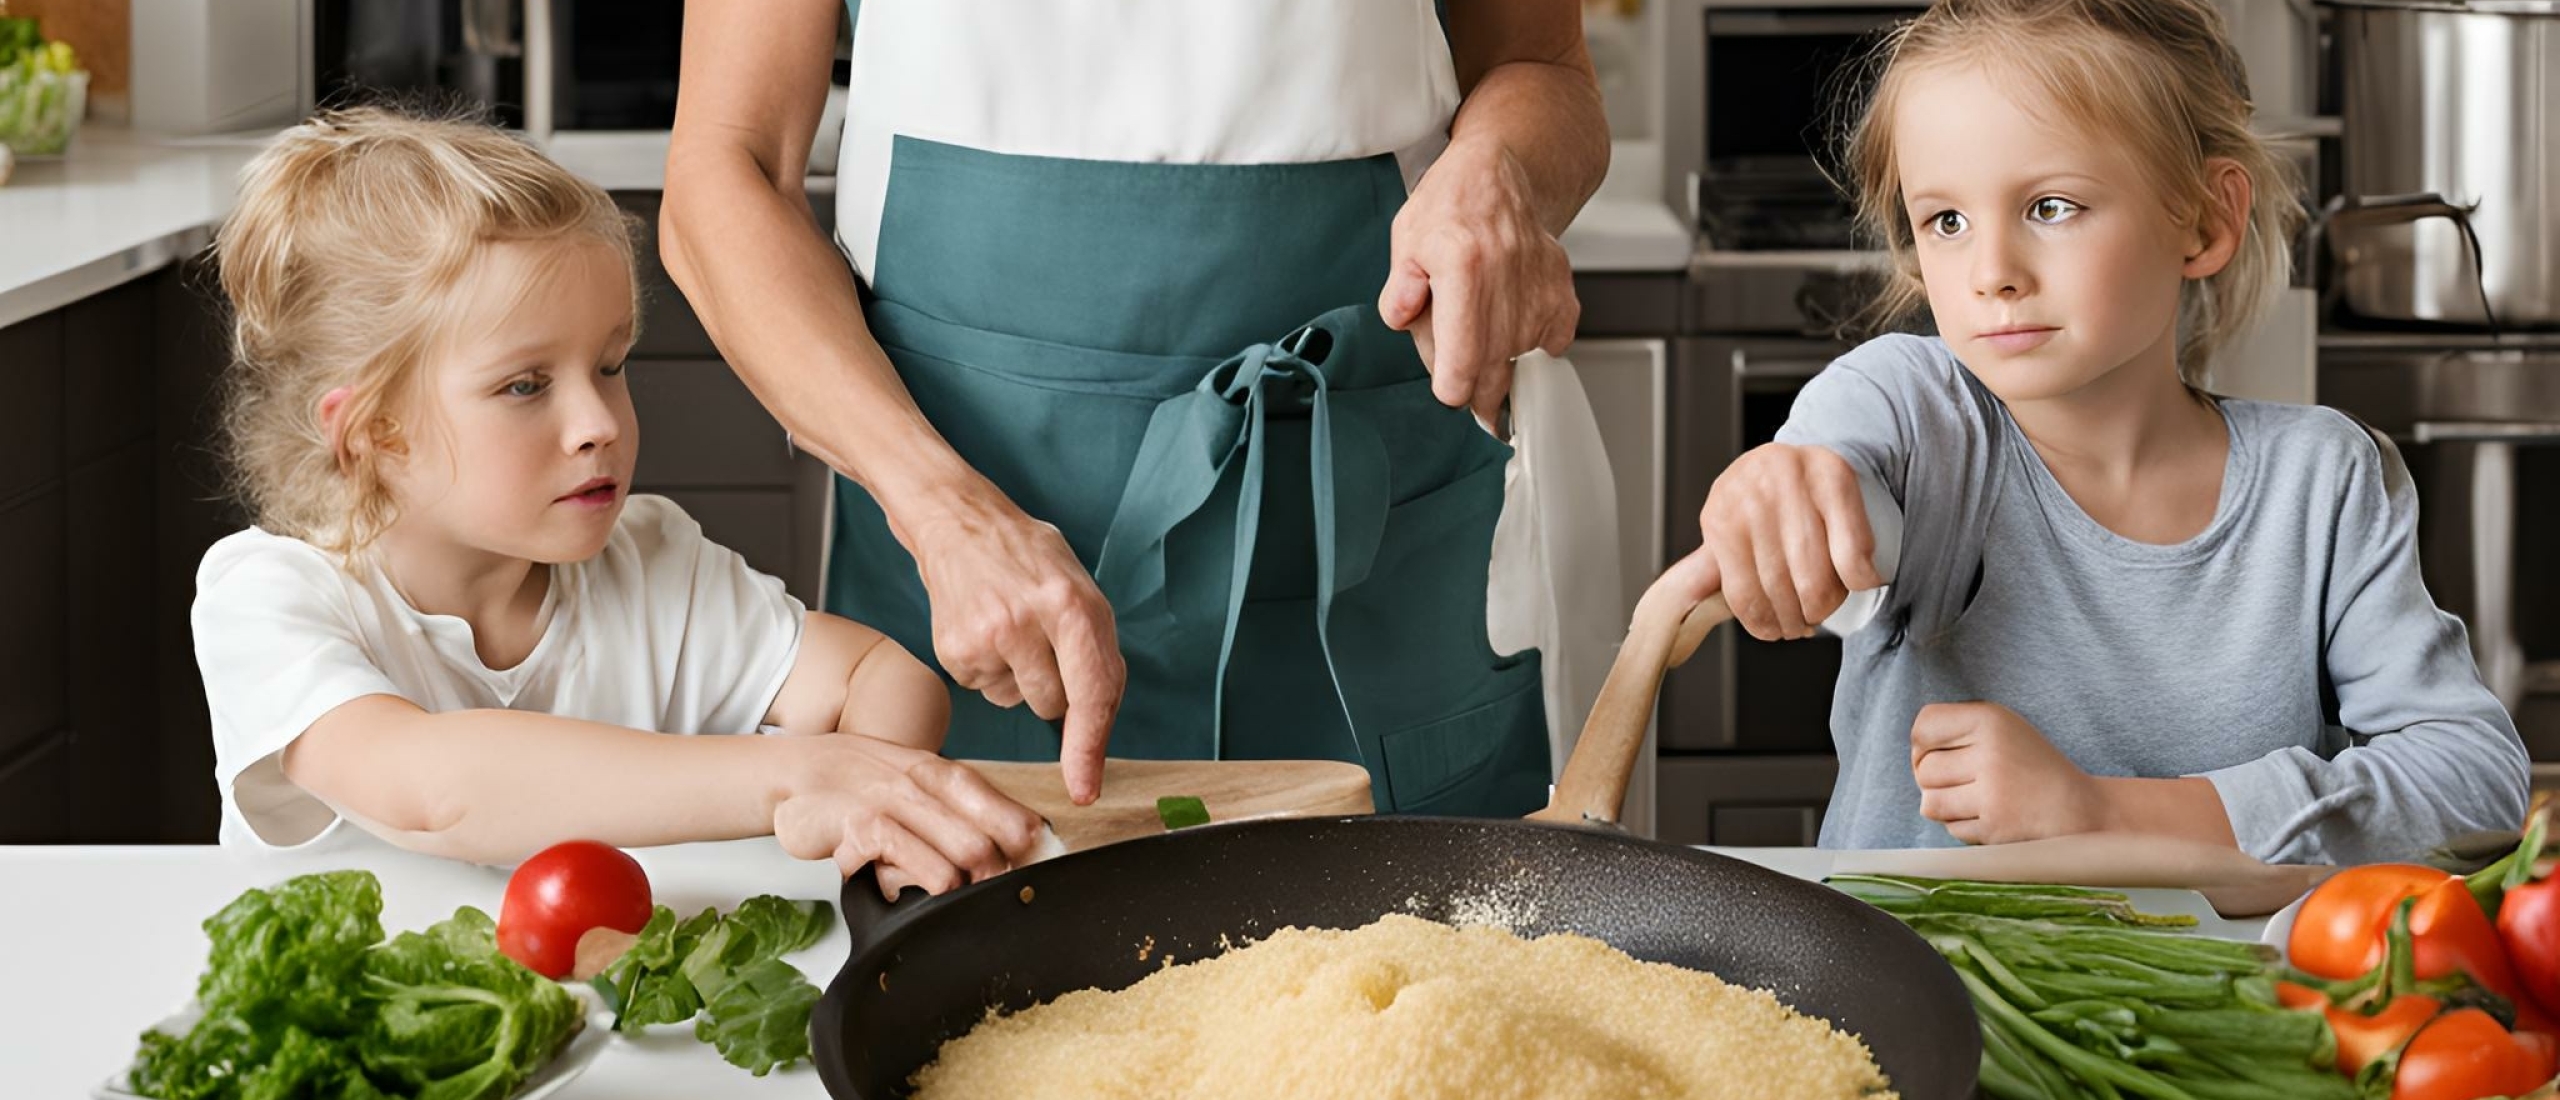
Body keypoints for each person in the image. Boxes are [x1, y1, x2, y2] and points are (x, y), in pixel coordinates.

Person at [660, 2, 1614, 817]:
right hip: (971, 561)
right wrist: (940, 510)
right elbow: (724, 169)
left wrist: (1499, 166)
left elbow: (1542, 69)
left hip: (1363, 533)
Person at [1686, 0, 2528, 863]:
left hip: (2225, 992)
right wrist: (1781, 484)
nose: (1992, 274)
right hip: (1912, 987)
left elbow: (2472, 784)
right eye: (1946, 221)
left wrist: (2101, 810)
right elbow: (1829, 464)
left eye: (2050, 206)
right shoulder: (1920, 419)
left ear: (2203, 218)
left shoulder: (2325, 483)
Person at [192, 108, 1046, 893]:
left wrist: (868, 796)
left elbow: (881, 675)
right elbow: (434, 789)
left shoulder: (653, 562)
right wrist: (799, 778)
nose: (599, 422)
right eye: (526, 386)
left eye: (609, 365)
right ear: (375, 432)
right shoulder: (269, 599)